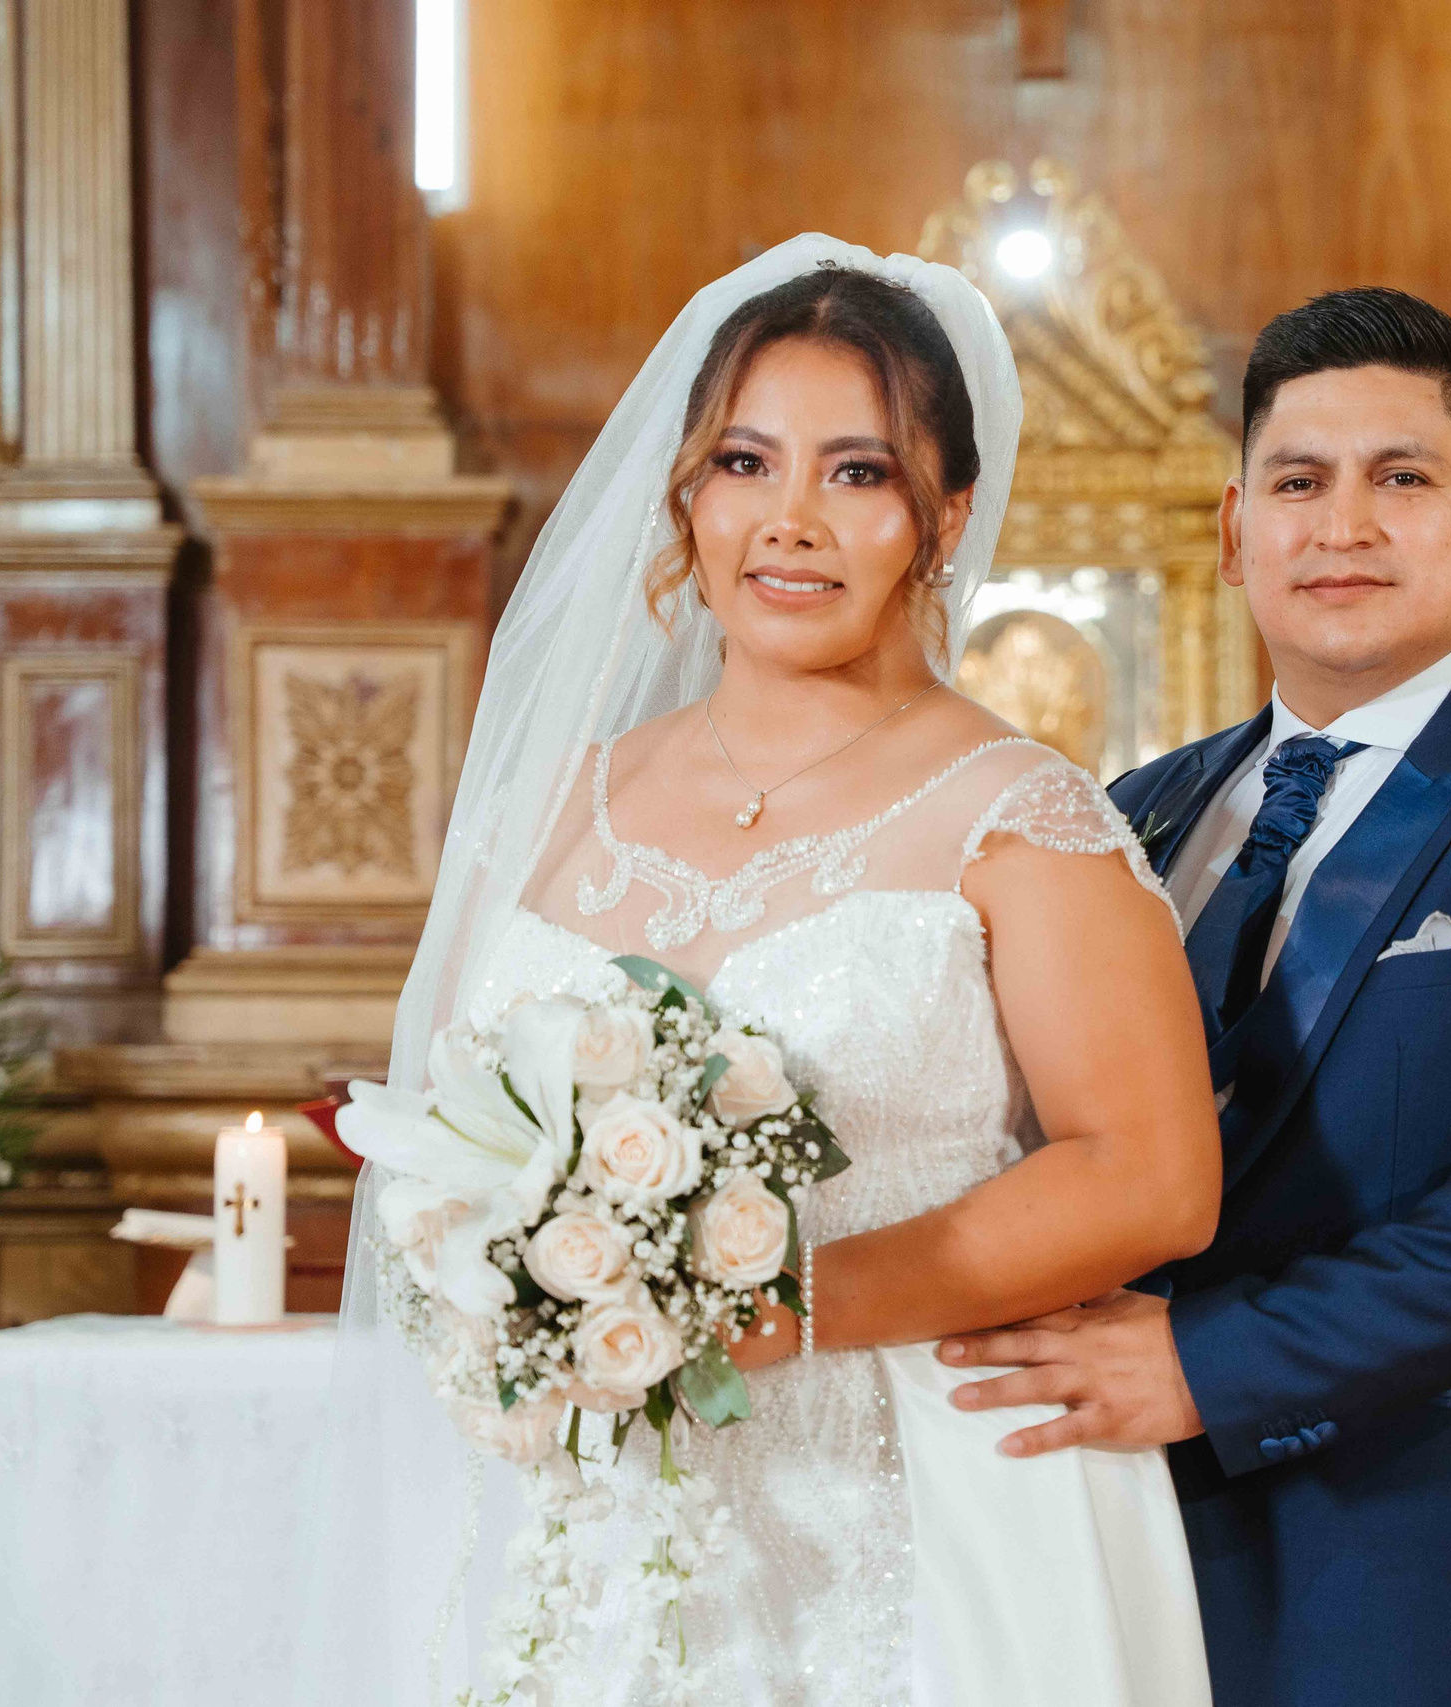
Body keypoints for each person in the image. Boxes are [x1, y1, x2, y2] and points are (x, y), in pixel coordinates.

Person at [307, 238, 1217, 1705]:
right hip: (576, 1511)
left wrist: (776, 1302)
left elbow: (1152, 1179)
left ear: (947, 516)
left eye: (858, 473)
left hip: (910, 1505)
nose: (791, 521)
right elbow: (450, 1138)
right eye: (746, 461)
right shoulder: (550, 802)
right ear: (685, 495)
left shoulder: (1021, 814)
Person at [941, 288, 1451, 1707]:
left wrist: (1210, 1360)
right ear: (1234, 529)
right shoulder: (1128, 814)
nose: (1342, 524)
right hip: (1131, 1546)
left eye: (1403, 478)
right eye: (1297, 482)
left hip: (1446, 1566)